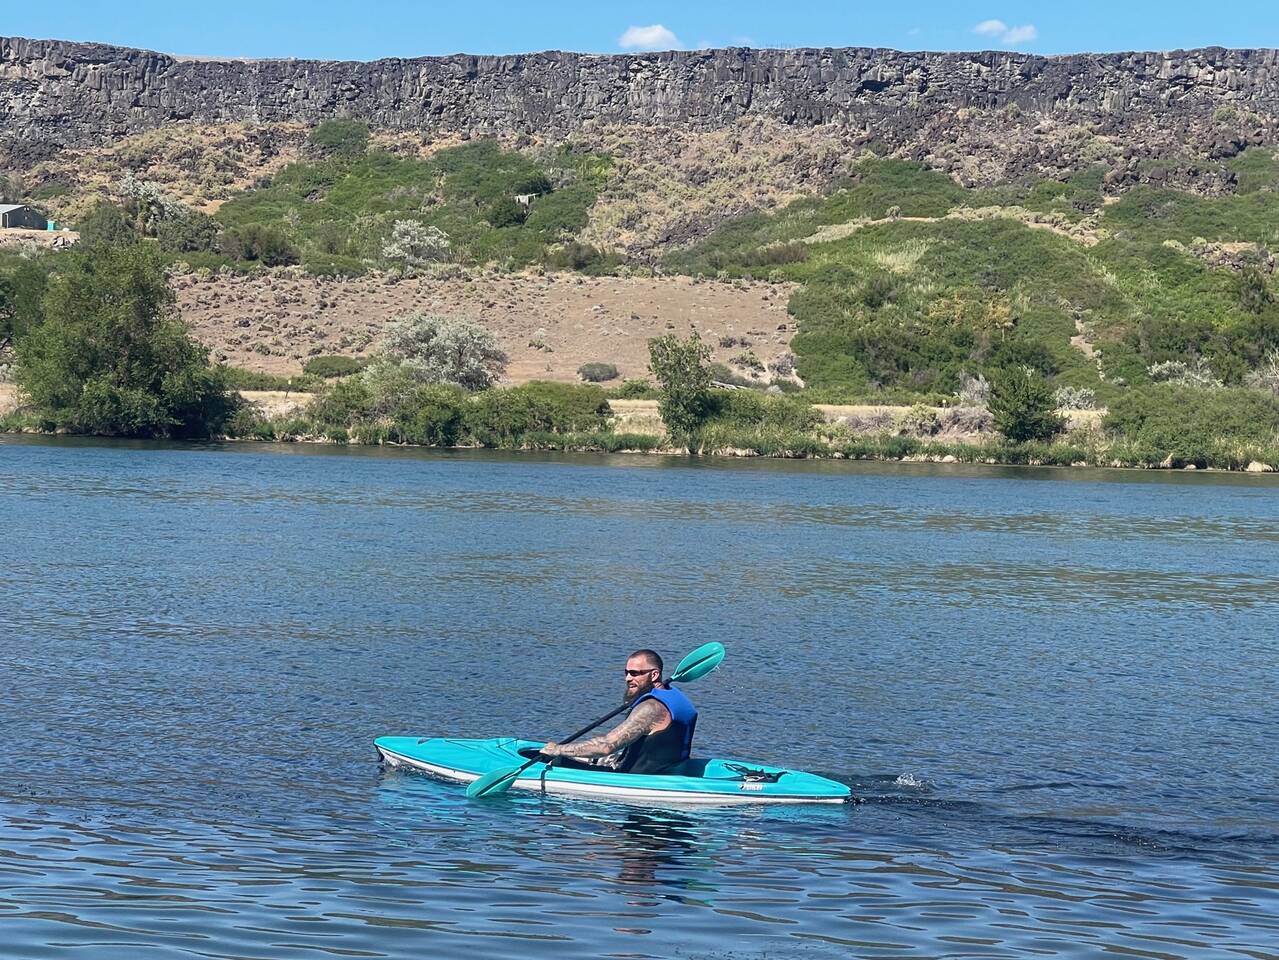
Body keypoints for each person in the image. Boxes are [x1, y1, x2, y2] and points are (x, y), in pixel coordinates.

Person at [540, 649, 698, 774]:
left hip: (640, 779)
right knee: (597, 758)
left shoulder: (651, 708)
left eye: (635, 673)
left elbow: (606, 746)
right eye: (627, 672)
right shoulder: (674, 696)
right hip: (672, 770)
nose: (628, 678)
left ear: (654, 674)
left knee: (559, 761)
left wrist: (558, 749)